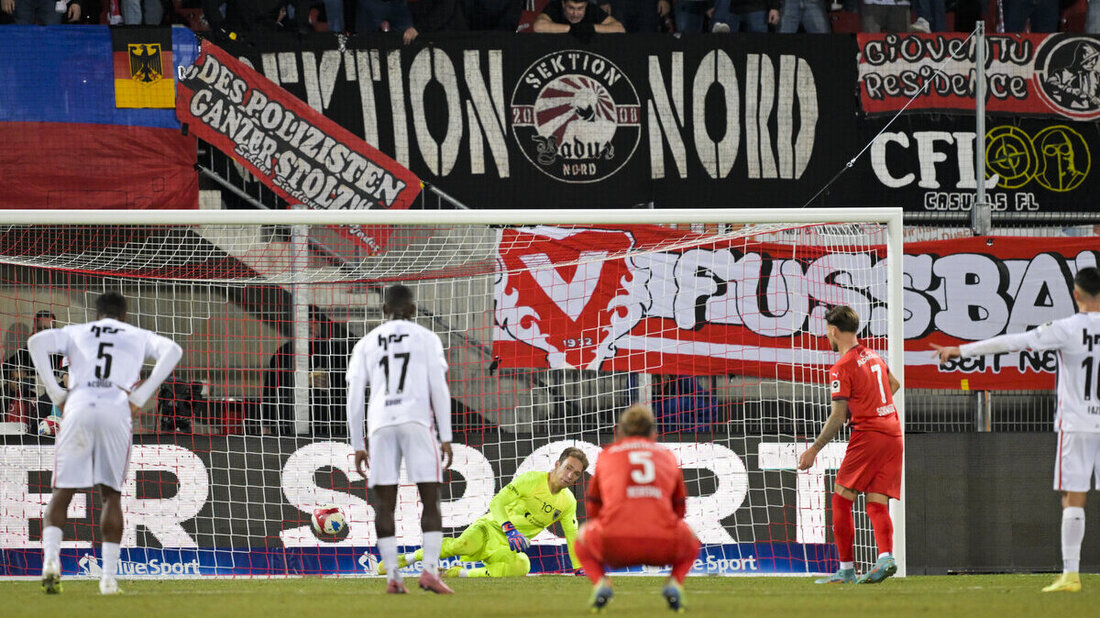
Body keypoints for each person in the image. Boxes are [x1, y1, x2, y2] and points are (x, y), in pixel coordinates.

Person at [932, 267, 1100, 593]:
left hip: (1077, 424)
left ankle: (1071, 575)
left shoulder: (1066, 328)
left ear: (1076, 294)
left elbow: (1013, 342)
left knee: (1073, 497)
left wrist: (961, 350)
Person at [28, 292, 182, 595]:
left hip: (79, 405)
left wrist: (56, 393)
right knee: (111, 495)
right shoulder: (136, 334)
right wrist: (141, 396)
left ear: (97, 315)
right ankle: (108, 579)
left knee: (63, 491)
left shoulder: (77, 331)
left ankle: (50, 561)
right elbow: (173, 350)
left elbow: (35, 343)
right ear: (123, 315)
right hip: (116, 406)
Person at [347, 284, 455, 594]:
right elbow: (439, 388)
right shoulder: (427, 338)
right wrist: (446, 436)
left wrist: (358, 444)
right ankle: (430, 571)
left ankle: (393, 577)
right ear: (413, 310)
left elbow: (354, 395)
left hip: (380, 425)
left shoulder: (366, 342)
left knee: (384, 504)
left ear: (384, 310)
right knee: (430, 498)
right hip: (417, 422)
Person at [798, 305, 902, 585]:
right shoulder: (874, 356)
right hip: (893, 433)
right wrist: (871, 404)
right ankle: (885, 557)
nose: (827, 338)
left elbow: (837, 416)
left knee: (841, 499)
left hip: (868, 435)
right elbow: (894, 385)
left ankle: (846, 570)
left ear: (833, 331)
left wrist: (813, 449)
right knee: (877, 502)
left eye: (827, 332)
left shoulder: (841, 368)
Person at [378, 446, 589, 579]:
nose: (570, 475)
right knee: (459, 545)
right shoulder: (531, 480)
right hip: (489, 529)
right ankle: (406, 559)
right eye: (568, 468)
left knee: (522, 566)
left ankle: (458, 573)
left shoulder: (567, 502)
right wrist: (510, 529)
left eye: (576, 473)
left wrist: (578, 568)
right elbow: (497, 502)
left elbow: (572, 536)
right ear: (557, 464)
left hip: (506, 547)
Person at [574, 404, 700, 612]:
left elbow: (593, 505)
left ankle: (601, 583)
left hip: (614, 545)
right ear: (653, 432)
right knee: (692, 539)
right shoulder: (667, 456)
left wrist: (604, 526)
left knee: (581, 538)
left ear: (620, 431)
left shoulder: (607, 455)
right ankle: (674, 583)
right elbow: (680, 508)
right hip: (662, 545)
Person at [263, 306, 348, 438]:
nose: (311, 326)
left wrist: (330, 386)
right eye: (306, 322)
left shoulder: (335, 351)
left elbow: (347, 386)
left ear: (320, 325)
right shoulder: (283, 353)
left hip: (326, 423)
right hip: (290, 422)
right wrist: (267, 423)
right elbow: (270, 390)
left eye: (315, 322)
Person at [3, 311, 62, 428]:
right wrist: (12, 383)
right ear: (34, 331)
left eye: (50, 329)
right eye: (41, 329)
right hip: (26, 416)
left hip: (54, 416)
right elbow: (6, 382)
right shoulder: (20, 357)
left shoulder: (64, 357)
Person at [533, 0, 625, 38]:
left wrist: (589, 28)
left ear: (586, 5)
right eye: (571, 8)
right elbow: (538, 26)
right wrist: (573, 29)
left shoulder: (591, 9)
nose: (575, 14)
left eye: (580, 8)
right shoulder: (555, 6)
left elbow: (619, 28)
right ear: (563, 4)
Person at [2, 0, 81, 24]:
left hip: (52, 2)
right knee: (20, 36)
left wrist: (76, 2)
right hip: (21, 2)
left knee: (52, 36)